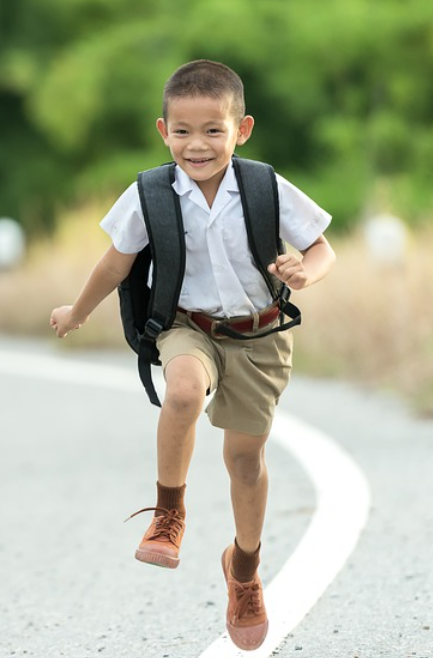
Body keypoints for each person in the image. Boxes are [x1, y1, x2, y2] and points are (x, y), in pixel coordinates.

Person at [49, 59, 335, 651]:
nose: (197, 145)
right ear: (163, 131)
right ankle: (169, 514)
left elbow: (320, 247)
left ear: (242, 129)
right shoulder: (150, 194)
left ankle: (245, 568)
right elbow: (116, 262)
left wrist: (305, 272)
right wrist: (77, 310)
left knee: (245, 462)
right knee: (181, 392)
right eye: (183, 131)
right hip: (188, 327)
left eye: (213, 130)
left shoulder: (263, 187)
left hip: (259, 336)